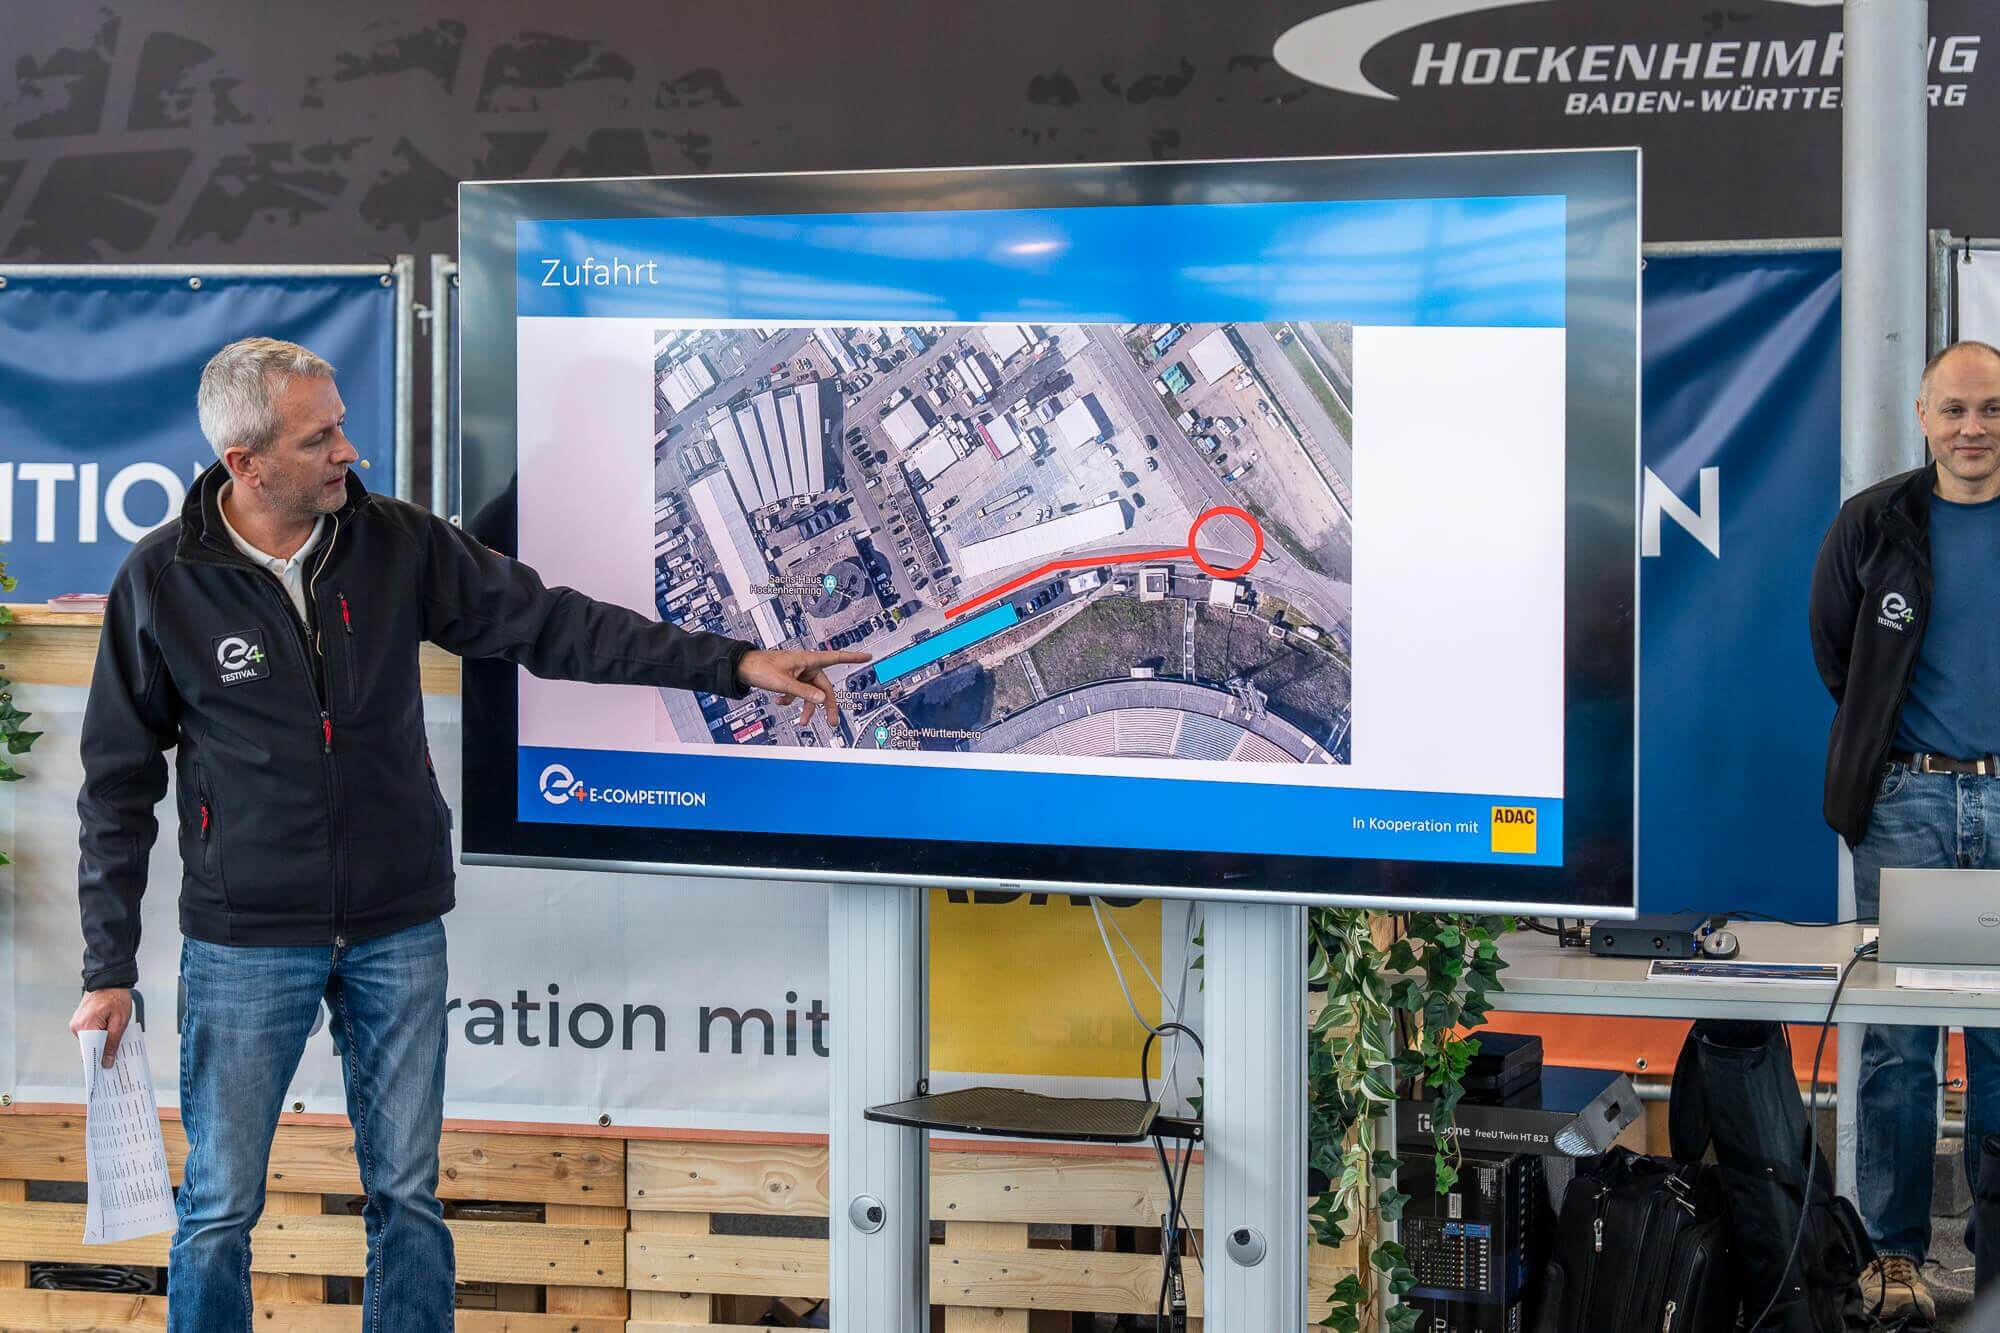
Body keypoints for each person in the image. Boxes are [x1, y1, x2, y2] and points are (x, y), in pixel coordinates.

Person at [67, 337, 864, 1332]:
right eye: (320, 439)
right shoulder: (162, 581)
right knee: (220, 1206)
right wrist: (108, 967)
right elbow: (116, 786)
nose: (349, 451)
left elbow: (553, 623)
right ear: (247, 462)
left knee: (407, 1196)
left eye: (341, 425)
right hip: (244, 939)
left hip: (396, 925)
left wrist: (734, 663)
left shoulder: (394, 542)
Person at [1810, 338, 2000, 1323]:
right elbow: (1838, 655)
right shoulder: (1873, 524)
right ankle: (1891, 1259)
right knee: (1897, 1044)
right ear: (1922, 416)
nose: (1973, 428)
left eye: (1991, 409)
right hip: (1908, 807)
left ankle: (1995, 1267)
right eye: (1954, 409)